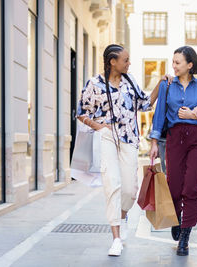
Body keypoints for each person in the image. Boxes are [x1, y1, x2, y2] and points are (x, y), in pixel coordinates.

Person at [77, 44, 171, 256]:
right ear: (113, 62)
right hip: (106, 138)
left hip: (129, 139)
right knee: (112, 185)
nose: (129, 63)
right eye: (125, 60)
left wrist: (160, 84)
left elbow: (145, 104)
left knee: (129, 190)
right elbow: (81, 112)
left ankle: (123, 215)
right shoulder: (94, 84)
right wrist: (99, 126)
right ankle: (116, 238)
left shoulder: (130, 82)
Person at [149, 46, 197, 256]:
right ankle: (177, 219)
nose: (173, 65)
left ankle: (185, 237)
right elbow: (159, 114)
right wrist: (153, 142)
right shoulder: (167, 86)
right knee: (174, 187)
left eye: (178, 62)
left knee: (190, 189)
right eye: (173, 62)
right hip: (174, 140)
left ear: (190, 65)